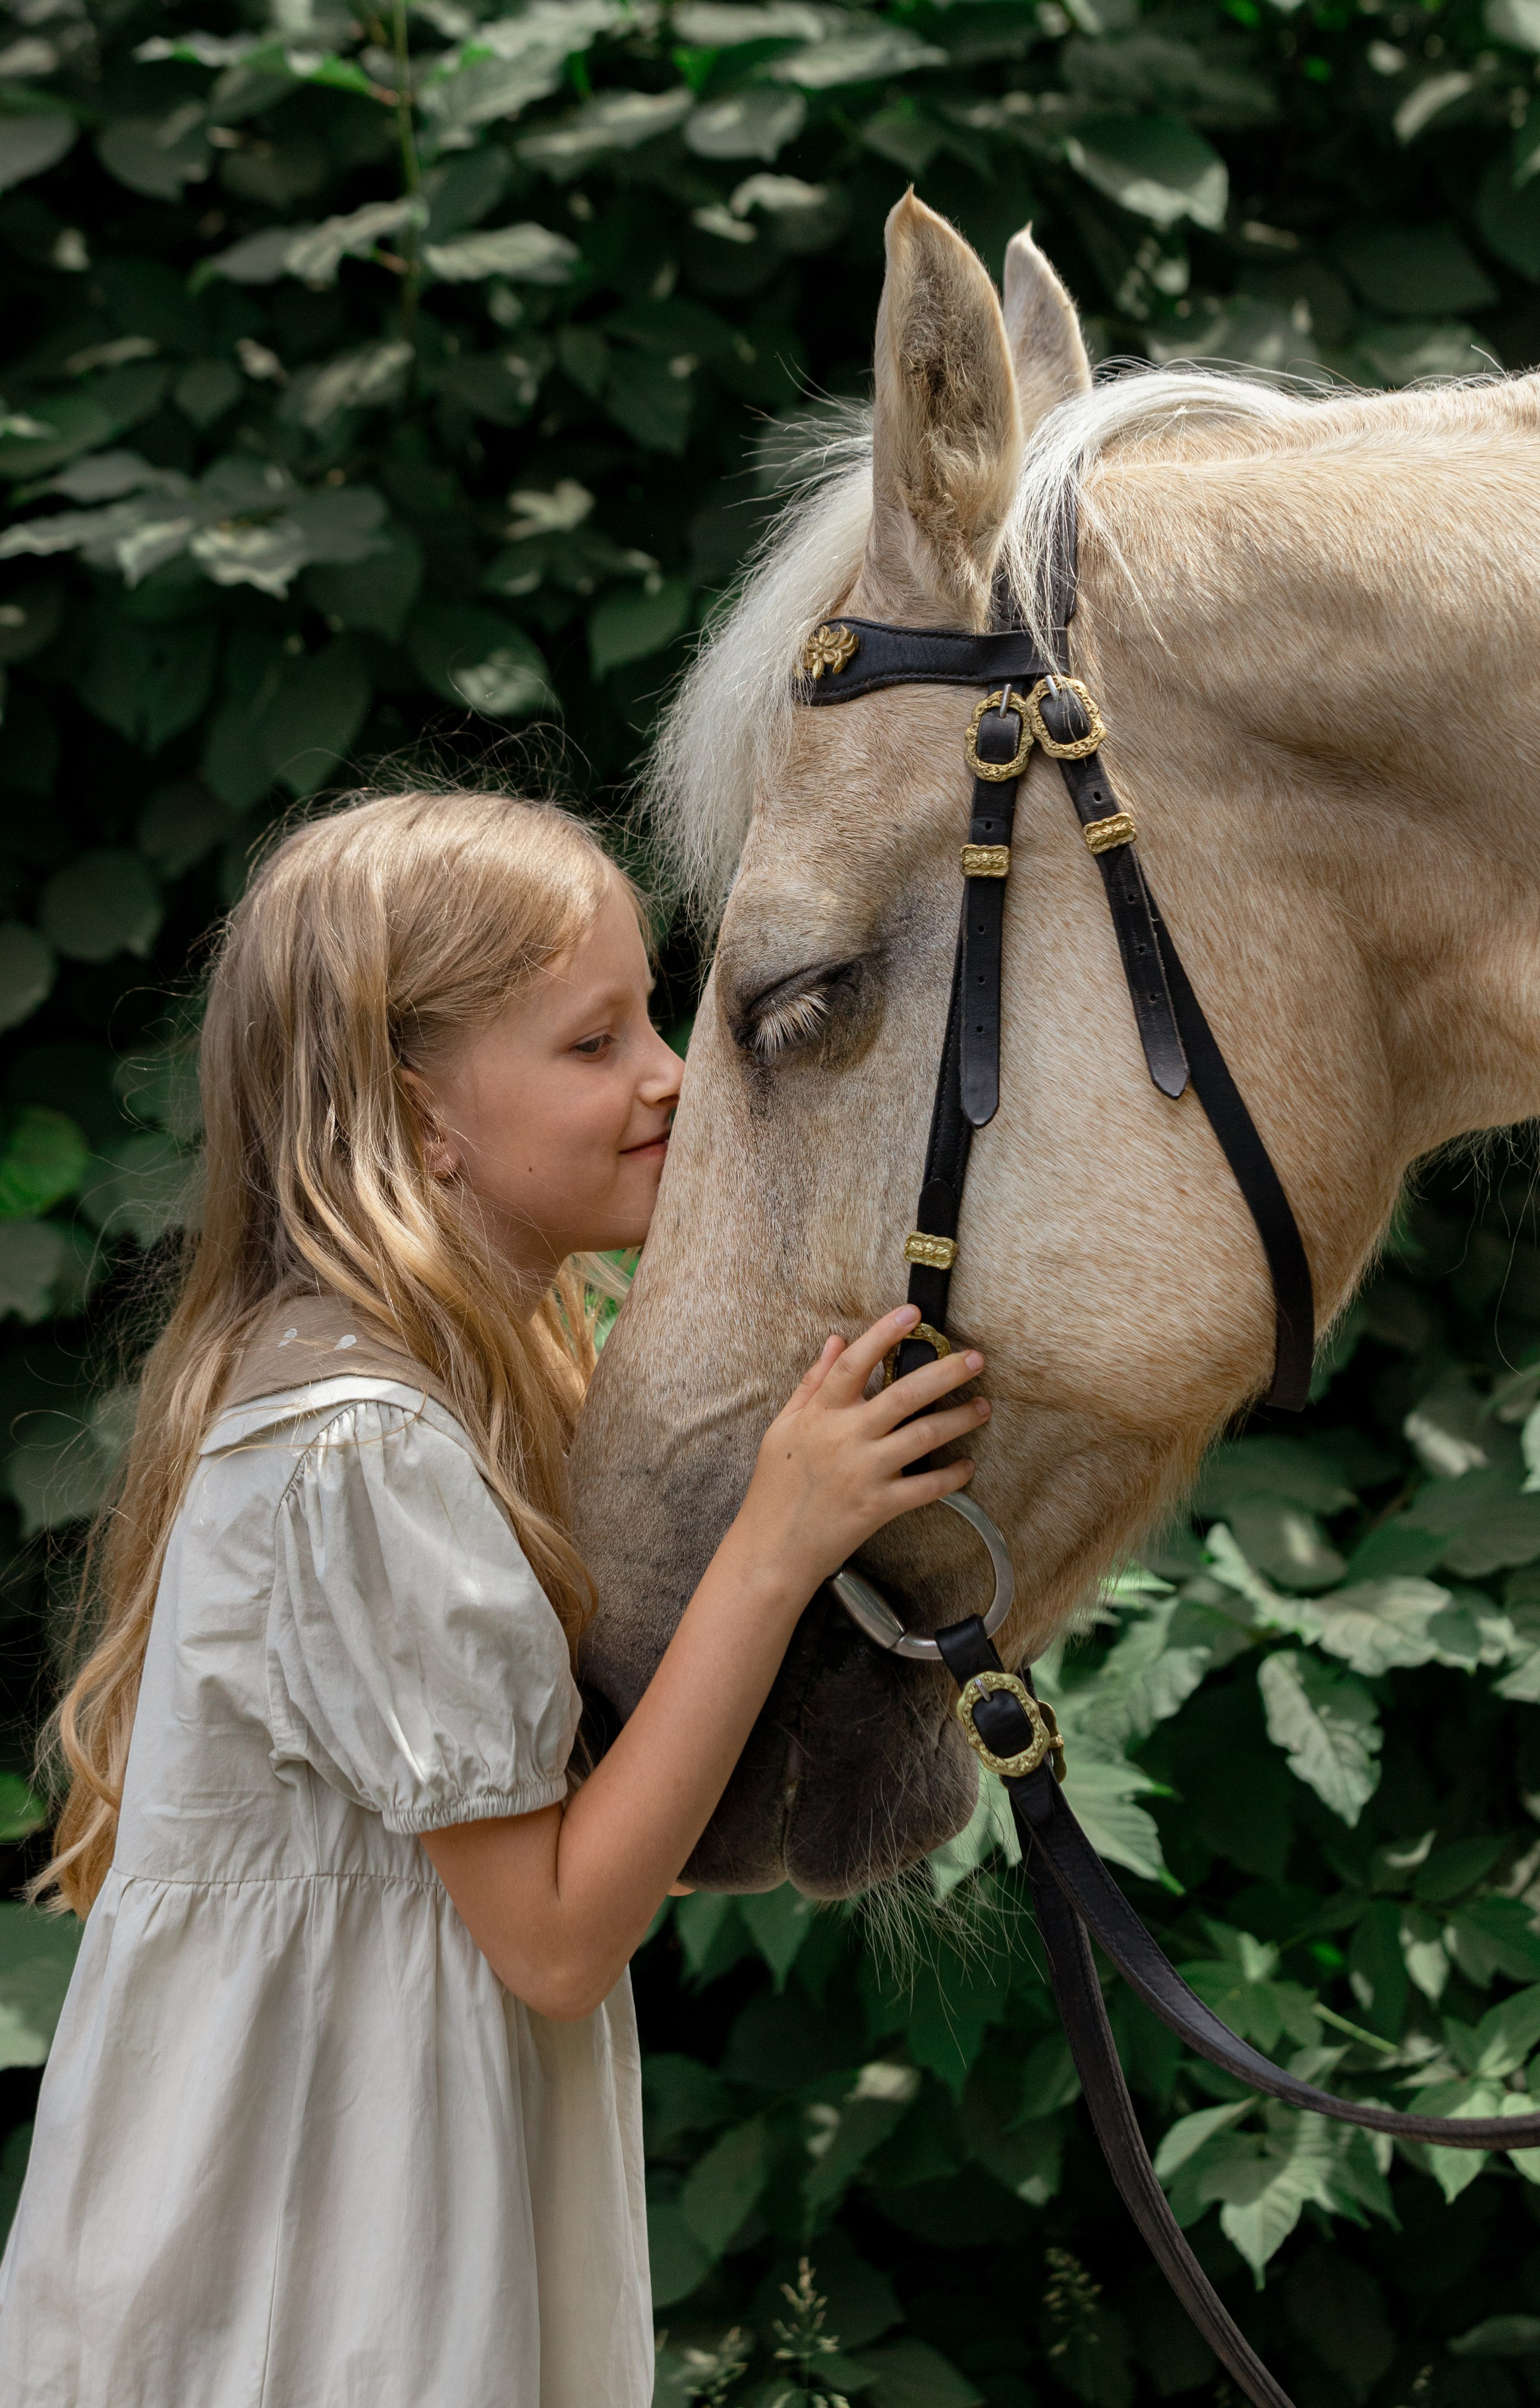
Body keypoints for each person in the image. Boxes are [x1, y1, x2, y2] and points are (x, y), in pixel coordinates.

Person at [0, 790, 988, 2408]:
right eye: (594, 1042)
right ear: (425, 1116)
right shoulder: (358, 1449)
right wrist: (769, 1543)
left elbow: (586, 1856)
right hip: (302, 2276)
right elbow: (548, 1937)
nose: (670, 1074)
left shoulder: (444, 1399)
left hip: (369, 2201)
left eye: (649, 1016)